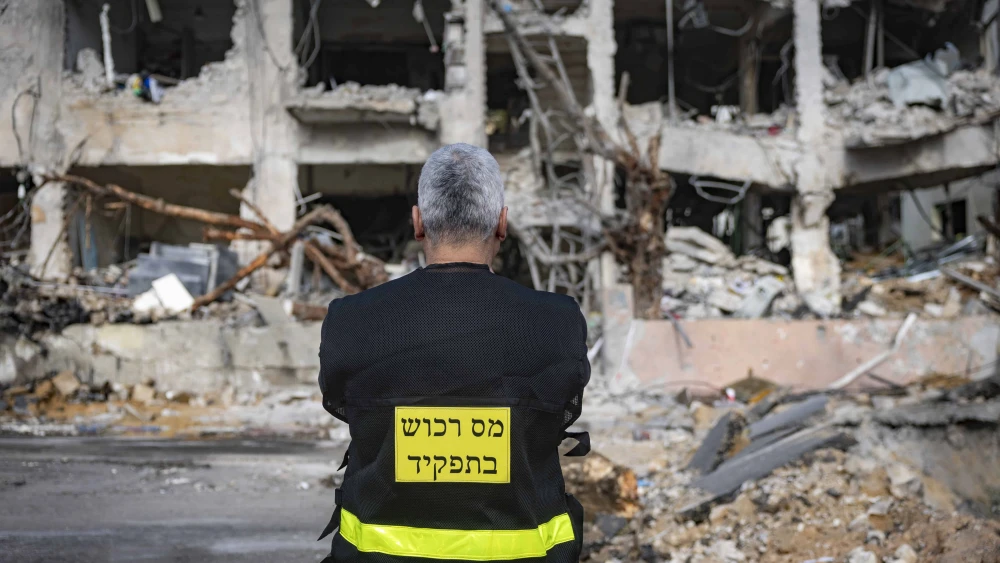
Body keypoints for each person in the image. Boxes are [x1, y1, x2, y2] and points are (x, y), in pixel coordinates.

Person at [318, 143, 591, 562]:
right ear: (502, 223)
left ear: (418, 223)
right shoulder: (557, 323)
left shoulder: (351, 321)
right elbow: (561, 412)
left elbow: (342, 402)